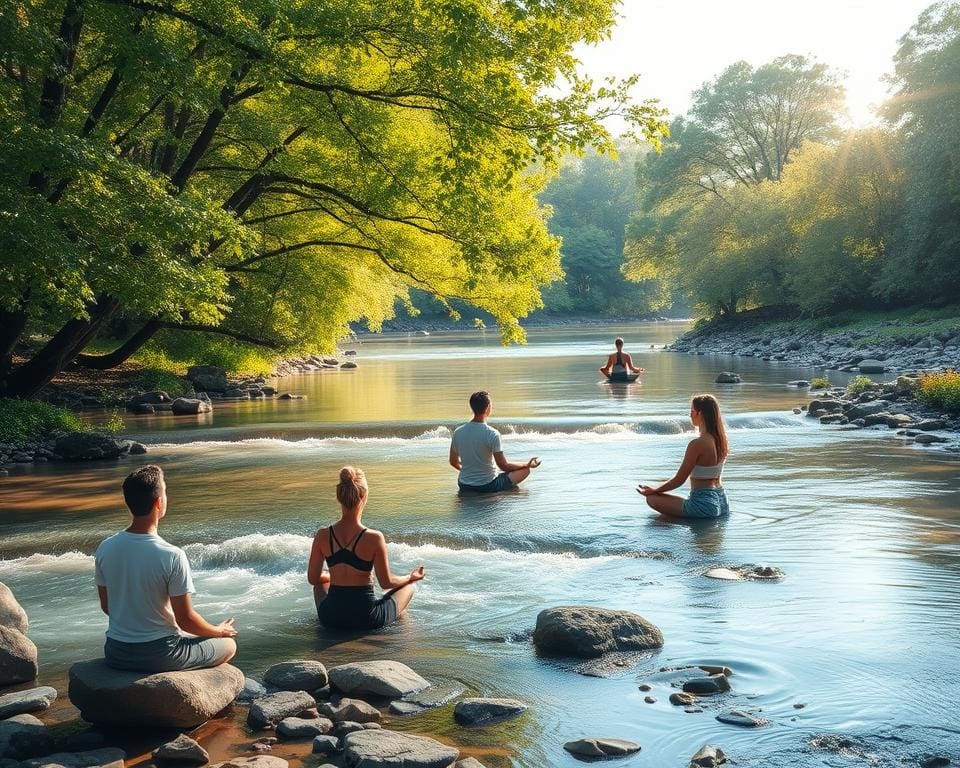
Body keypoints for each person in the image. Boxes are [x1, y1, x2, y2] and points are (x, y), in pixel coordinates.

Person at [94, 465, 237, 672]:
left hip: (116, 652)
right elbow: (186, 620)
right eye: (165, 491)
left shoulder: (105, 547)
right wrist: (218, 631)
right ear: (159, 502)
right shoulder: (171, 555)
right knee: (229, 645)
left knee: (187, 635)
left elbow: (108, 607)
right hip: (161, 655)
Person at [308, 467, 425, 630]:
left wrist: (329, 576)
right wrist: (409, 577)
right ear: (364, 497)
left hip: (331, 618)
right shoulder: (374, 537)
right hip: (366, 619)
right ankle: (403, 636)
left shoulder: (322, 535)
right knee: (408, 589)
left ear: (338, 497)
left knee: (320, 585)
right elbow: (386, 582)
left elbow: (313, 579)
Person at [637, 394, 730, 518]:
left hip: (704, 505)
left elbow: (679, 480)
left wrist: (654, 490)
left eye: (692, 411)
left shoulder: (697, 444)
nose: (690, 415)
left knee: (652, 499)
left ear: (700, 414)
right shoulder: (721, 441)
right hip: (722, 501)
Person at [449, 391, 540, 493]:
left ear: (472, 407)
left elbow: (453, 462)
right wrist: (526, 465)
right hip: (488, 486)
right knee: (525, 471)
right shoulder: (492, 434)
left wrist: (469, 470)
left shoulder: (458, 432)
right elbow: (503, 466)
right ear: (488, 407)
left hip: (464, 484)